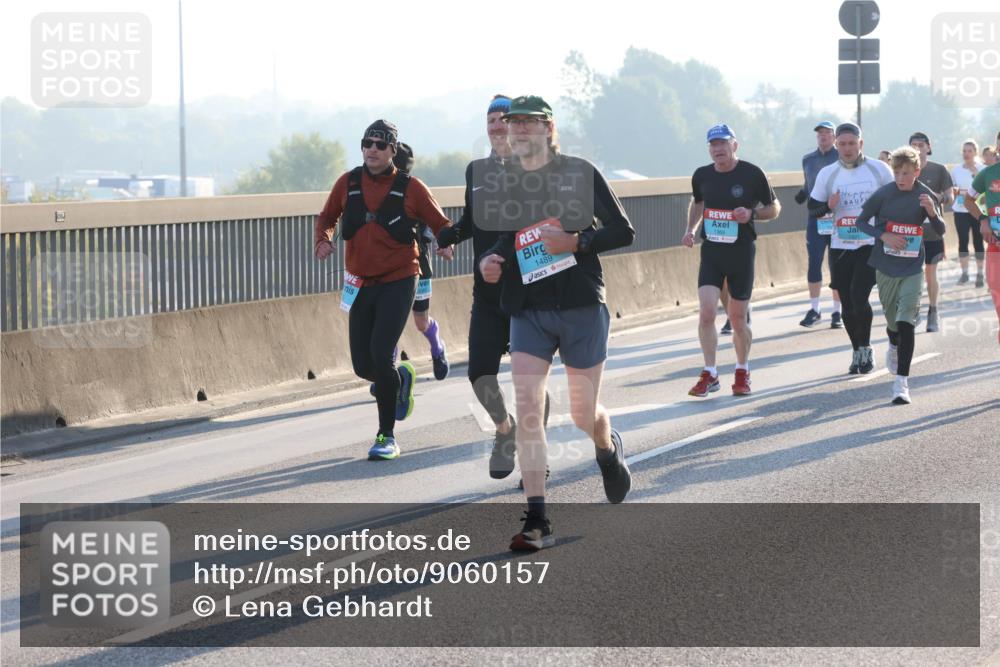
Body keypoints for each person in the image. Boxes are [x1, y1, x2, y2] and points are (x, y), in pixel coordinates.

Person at [478, 95, 635, 550]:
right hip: (528, 308)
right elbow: (509, 237)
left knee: (584, 413)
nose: (519, 130)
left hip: (580, 303)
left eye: (529, 122)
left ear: (549, 129)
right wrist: (492, 261)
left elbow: (622, 230)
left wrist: (576, 242)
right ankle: (537, 519)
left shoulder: (580, 173)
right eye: (514, 123)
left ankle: (606, 449)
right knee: (529, 407)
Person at [315, 120, 453, 460]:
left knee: (380, 352)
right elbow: (327, 216)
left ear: (393, 149)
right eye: (367, 143)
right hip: (360, 281)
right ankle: (398, 380)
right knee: (363, 365)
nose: (372, 150)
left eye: (380, 144)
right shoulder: (347, 183)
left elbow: (441, 222)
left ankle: (386, 436)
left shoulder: (411, 187)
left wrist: (446, 242)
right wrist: (323, 240)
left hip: (399, 278)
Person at [437, 95, 552, 484]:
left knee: (529, 384)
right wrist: (448, 235)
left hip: (528, 292)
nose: (497, 126)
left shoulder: (533, 168)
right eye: (491, 121)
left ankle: (534, 458)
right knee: (479, 374)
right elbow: (474, 219)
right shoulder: (477, 170)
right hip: (487, 293)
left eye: (505, 119)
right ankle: (505, 429)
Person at [683, 124, 781, 397]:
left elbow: (774, 207)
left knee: (737, 319)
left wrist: (751, 214)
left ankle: (742, 370)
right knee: (706, 312)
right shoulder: (702, 175)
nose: (718, 149)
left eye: (723, 144)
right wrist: (690, 229)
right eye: (713, 145)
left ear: (734, 145)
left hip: (741, 252)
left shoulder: (752, 173)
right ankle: (710, 372)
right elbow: (698, 202)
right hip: (712, 252)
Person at [855, 146, 945, 404]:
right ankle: (893, 343)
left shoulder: (925, 195)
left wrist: (931, 212)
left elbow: (940, 229)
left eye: (906, 173)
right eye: (897, 173)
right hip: (885, 266)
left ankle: (901, 384)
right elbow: (861, 222)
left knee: (907, 321)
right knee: (893, 324)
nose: (901, 178)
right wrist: (884, 235)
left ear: (917, 171)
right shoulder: (884, 194)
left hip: (913, 267)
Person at [808, 122, 894, 374]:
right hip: (840, 245)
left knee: (859, 295)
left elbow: (896, 199)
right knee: (846, 301)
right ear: (836, 145)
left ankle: (866, 349)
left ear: (861, 143)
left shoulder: (879, 169)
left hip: (870, 243)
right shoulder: (828, 174)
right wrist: (828, 206)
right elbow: (812, 209)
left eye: (852, 143)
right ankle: (856, 350)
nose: (847, 149)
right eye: (842, 144)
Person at [396, 142, 453, 381]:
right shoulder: (371, 190)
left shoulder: (416, 190)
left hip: (418, 265)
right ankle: (387, 374)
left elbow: (438, 221)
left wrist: (446, 242)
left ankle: (437, 346)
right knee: (389, 323)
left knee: (420, 321)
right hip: (386, 268)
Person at [795, 120, 842, 328]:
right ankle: (815, 309)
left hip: (838, 216)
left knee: (836, 264)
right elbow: (809, 184)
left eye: (827, 133)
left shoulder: (841, 156)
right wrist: (801, 194)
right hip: (816, 217)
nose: (823, 136)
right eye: (820, 133)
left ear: (834, 137)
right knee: (814, 262)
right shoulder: (808, 159)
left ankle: (837, 311)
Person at [908, 132, 954, 332]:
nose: (917, 148)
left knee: (930, 273)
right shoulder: (905, 170)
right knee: (913, 274)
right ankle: (914, 309)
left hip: (932, 230)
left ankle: (933, 311)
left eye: (921, 144)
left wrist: (938, 197)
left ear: (928, 147)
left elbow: (950, 197)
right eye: (913, 145)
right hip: (910, 231)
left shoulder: (939, 170)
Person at [965, 130, 1000, 345]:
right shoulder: (987, 174)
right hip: (996, 246)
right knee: (997, 293)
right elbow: (968, 200)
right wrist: (983, 220)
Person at [950, 139, 985, 288]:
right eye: (964, 151)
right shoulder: (956, 170)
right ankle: (964, 273)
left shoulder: (983, 169)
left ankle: (980, 274)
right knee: (963, 241)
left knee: (978, 241)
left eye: (970, 151)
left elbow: (986, 189)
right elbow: (953, 188)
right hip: (961, 210)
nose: (966, 154)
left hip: (977, 210)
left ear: (975, 152)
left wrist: (975, 173)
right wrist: (957, 194)